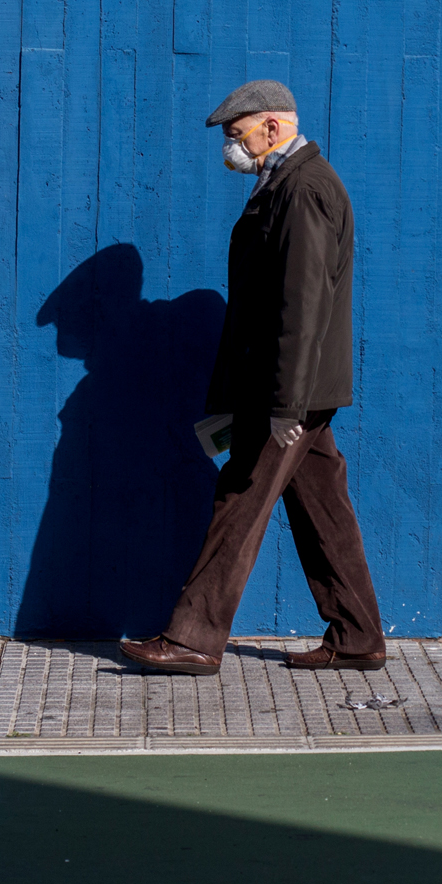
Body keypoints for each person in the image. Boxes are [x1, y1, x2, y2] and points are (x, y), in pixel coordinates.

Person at [117, 80, 389, 675]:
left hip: (286, 392)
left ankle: (192, 638)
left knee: (239, 498)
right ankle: (358, 634)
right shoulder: (285, 185)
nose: (230, 151)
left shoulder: (304, 189)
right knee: (323, 507)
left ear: (271, 126)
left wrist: (284, 405)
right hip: (295, 389)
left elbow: (302, 305)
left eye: (236, 136)